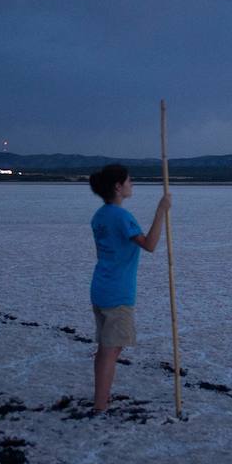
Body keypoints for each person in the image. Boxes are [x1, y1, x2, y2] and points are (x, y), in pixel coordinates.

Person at [87, 164, 170, 413]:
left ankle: (101, 399)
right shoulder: (121, 217)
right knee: (110, 350)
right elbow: (150, 244)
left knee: (106, 348)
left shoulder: (99, 215)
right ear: (117, 186)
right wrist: (161, 211)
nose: (132, 184)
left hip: (101, 287)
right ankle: (100, 405)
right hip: (117, 292)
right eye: (129, 181)